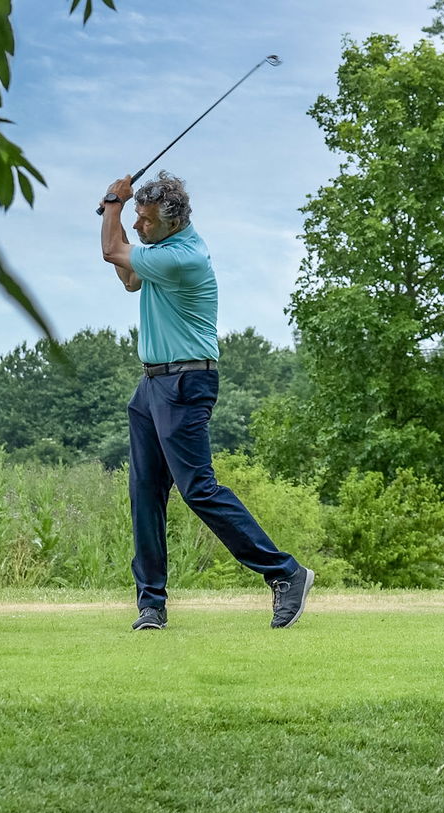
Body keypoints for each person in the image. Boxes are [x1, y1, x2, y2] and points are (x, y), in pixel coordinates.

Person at [97, 171, 314, 631]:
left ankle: (286, 574)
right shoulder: (161, 249)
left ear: (171, 220)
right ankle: (151, 604)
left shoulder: (185, 257)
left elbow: (112, 251)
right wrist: (120, 214)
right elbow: (129, 278)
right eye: (137, 216)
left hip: (185, 383)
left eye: (146, 219)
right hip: (151, 384)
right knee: (144, 493)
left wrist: (112, 205)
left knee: (198, 489)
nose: (139, 226)